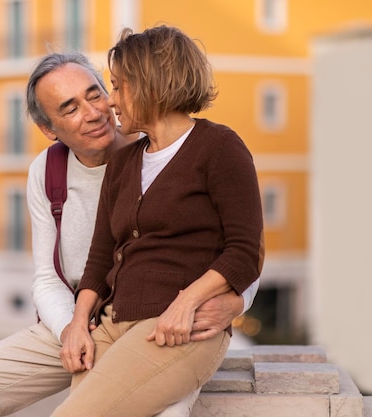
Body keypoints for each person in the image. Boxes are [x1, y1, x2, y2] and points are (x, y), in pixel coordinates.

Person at [0, 51, 260, 417]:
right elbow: (48, 277)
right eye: (70, 108)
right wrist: (71, 328)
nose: (95, 112)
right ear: (49, 129)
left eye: (96, 93)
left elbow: (244, 247)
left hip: (163, 317)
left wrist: (234, 303)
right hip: (79, 318)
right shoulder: (47, 172)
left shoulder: (173, 146)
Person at [51, 26, 264, 417]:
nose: (111, 102)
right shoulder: (123, 162)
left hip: (178, 329)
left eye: (119, 87)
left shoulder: (219, 148)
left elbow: (245, 253)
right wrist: (79, 323)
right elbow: (100, 259)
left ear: (151, 83)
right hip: (112, 325)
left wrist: (188, 300)